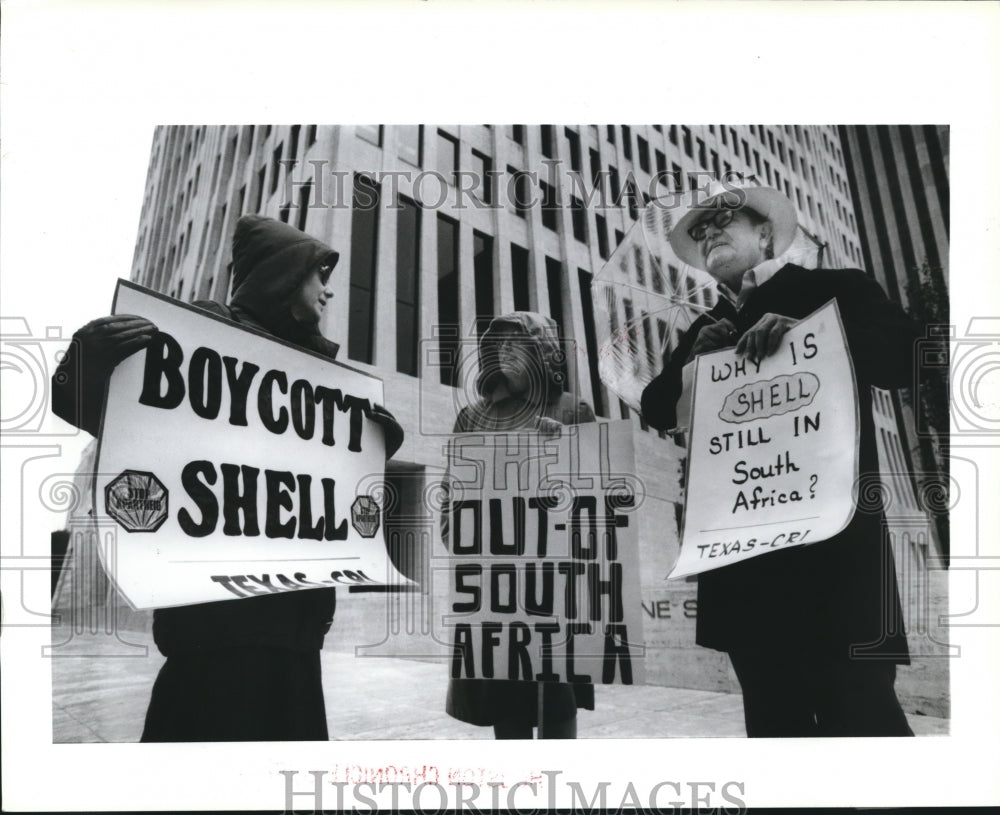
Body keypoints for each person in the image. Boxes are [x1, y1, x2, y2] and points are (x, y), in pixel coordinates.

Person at [51, 214, 403, 741]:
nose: (329, 292)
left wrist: (375, 443)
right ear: (284, 275)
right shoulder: (204, 335)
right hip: (211, 637)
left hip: (296, 634)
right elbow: (102, 415)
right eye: (317, 275)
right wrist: (88, 362)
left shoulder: (322, 378)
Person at [640, 181, 917, 737]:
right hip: (745, 573)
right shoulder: (703, 329)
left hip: (834, 561)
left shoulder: (835, 290)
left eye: (723, 220)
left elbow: (905, 357)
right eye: (698, 230)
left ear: (765, 234)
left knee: (865, 724)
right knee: (775, 731)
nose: (708, 232)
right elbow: (656, 408)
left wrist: (816, 334)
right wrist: (691, 362)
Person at [444, 312, 596, 739]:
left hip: (555, 594)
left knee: (557, 710)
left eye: (517, 343)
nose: (504, 351)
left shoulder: (571, 410)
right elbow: (451, 504)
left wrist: (563, 453)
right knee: (506, 709)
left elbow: (599, 505)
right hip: (496, 592)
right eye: (498, 345)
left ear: (542, 351)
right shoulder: (471, 420)